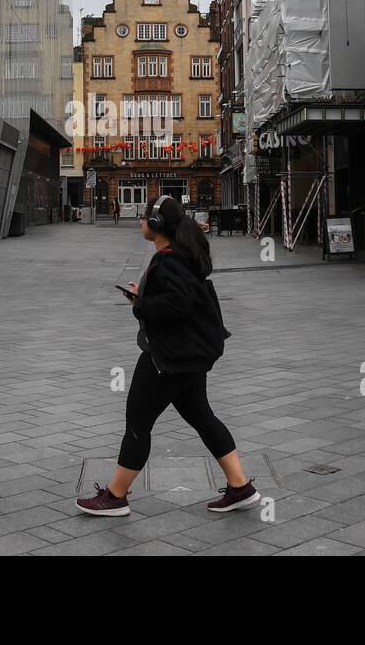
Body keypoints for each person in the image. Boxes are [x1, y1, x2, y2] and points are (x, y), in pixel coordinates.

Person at [76, 195, 256, 516]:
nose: (141, 223)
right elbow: (181, 297)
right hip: (190, 355)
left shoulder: (169, 261)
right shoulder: (180, 256)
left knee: (137, 421)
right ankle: (240, 486)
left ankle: (115, 497)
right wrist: (143, 292)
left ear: (157, 225)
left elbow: (178, 303)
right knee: (202, 416)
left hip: (169, 358)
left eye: (145, 218)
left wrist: (140, 305)